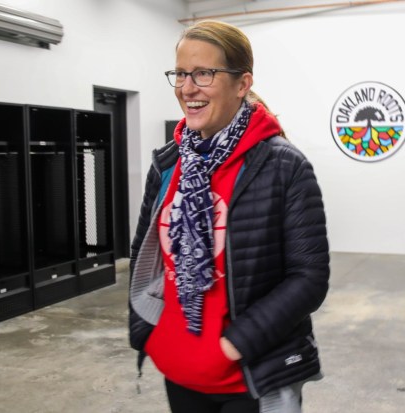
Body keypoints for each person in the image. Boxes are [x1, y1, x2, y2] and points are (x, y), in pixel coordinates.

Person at [129, 20, 329, 413]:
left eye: (204, 73)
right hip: (179, 371)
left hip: (250, 378)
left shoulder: (283, 166)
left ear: (242, 83)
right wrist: (147, 332)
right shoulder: (168, 165)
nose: (188, 88)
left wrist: (233, 345)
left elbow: (309, 278)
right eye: (181, 74)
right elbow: (143, 258)